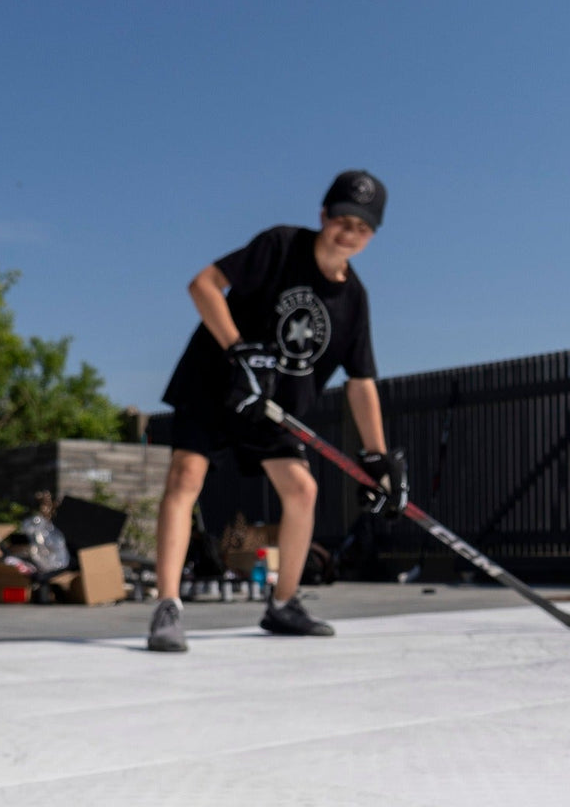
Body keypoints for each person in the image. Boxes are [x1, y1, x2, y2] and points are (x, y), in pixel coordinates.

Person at [148, 169, 409, 653]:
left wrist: (376, 456)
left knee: (302, 489)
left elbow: (361, 381)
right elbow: (203, 285)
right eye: (343, 220)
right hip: (214, 382)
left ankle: (283, 604)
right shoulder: (280, 246)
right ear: (323, 215)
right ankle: (167, 607)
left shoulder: (354, 299)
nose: (349, 233)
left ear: (372, 235)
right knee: (186, 476)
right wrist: (238, 352)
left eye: (363, 227)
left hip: (272, 406)